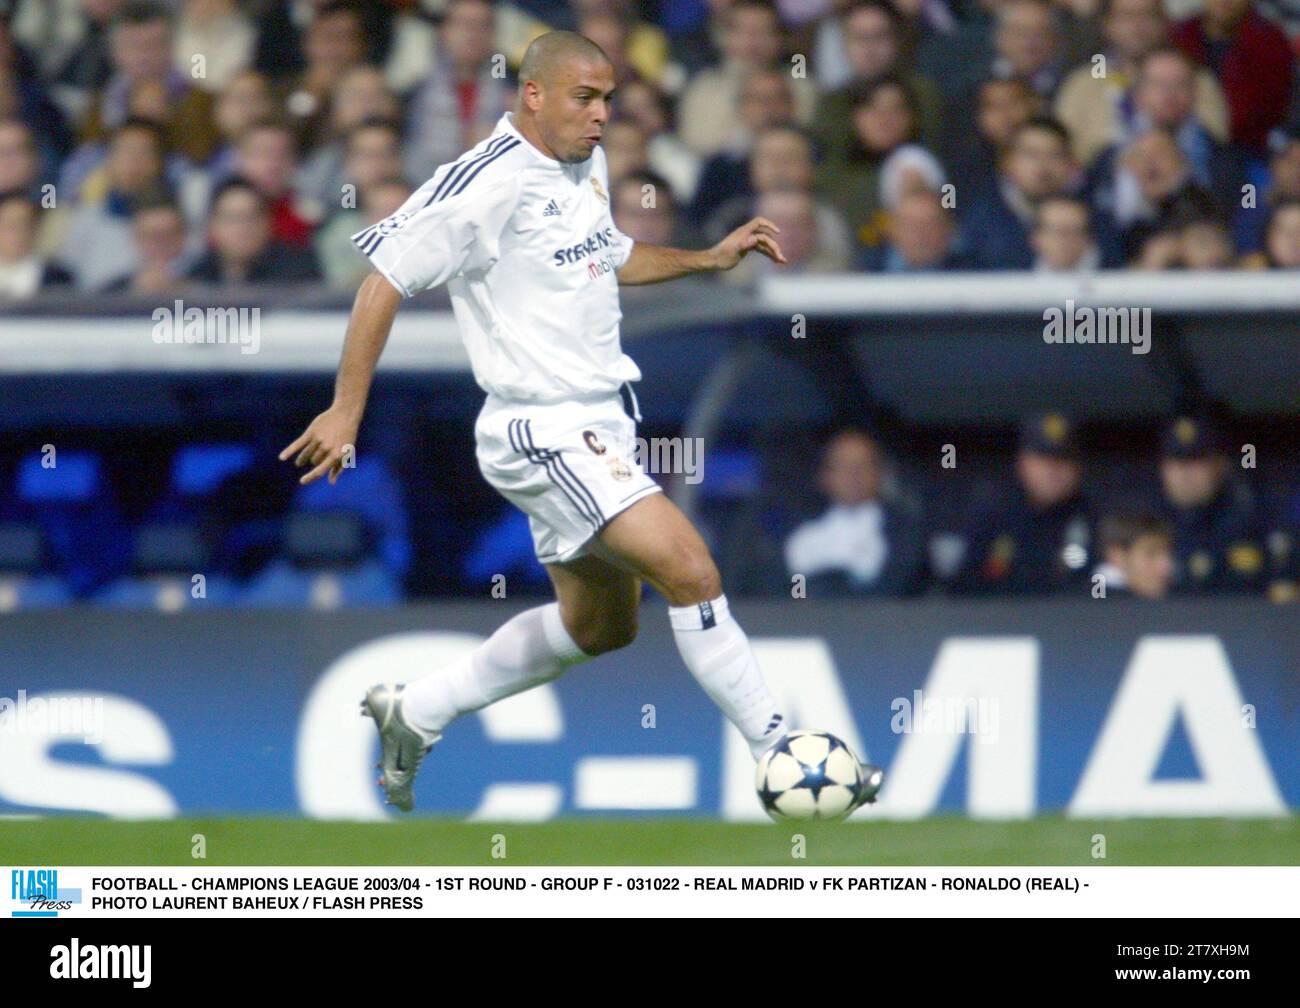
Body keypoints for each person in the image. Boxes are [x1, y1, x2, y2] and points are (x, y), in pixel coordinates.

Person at [279, 30, 884, 813]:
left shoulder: (579, 162)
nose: (601, 117)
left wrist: (705, 258)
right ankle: (785, 759)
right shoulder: (483, 184)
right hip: (544, 429)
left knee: (602, 628)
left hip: (601, 421)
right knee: (692, 570)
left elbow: (607, 254)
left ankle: (417, 711)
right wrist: (346, 408)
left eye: (607, 100)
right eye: (585, 98)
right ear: (533, 94)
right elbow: (382, 281)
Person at [955, 412, 1096, 594]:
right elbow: (964, 587)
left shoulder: (1092, 519)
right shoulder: (994, 515)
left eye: (1064, 458)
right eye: (1043, 458)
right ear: (1023, 462)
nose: (1053, 469)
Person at [783, 428, 927, 596]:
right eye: (843, 465)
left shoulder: (906, 533)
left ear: (879, 473)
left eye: (862, 465)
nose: (853, 475)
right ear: (825, 475)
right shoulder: (797, 531)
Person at [1093, 509, 1175, 598]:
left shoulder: (1179, 598)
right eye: (1151, 554)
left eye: (1168, 554)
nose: (1165, 566)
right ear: (1117, 556)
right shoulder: (1090, 604)